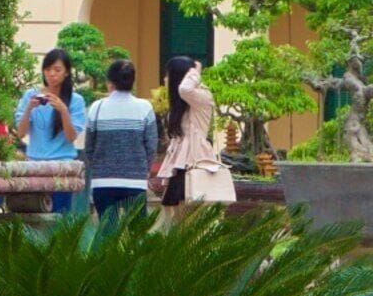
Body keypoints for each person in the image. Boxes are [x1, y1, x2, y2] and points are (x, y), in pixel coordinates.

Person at [76, 53, 158, 221]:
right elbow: (151, 147)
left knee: (107, 234)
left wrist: (100, 167)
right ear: (132, 81)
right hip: (135, 182)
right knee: (136, 234)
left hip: (103, 182)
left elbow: (89, 147)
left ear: (110, 83)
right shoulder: (145, 108)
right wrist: (142, 168)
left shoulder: (96, 108)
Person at [156, 52, 235, 214]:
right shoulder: (180, 106)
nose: (165, 79)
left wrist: (194, 71)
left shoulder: (201, 97)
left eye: (168, 75)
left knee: (194, 216)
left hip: (196, 162)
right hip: (180, 166)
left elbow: (185, 89)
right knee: (175, 217)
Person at [13, 48, 86, 217]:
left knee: (60, 216)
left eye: (57, 70)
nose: (52, 74)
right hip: (35, 165)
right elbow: (21, 133)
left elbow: (71, 136)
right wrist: (29, 108)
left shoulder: (75, 100)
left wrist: (63, 110)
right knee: (34, 216)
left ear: (66, 73)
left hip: (62, 166)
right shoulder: (30, 95)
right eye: (47, 70)